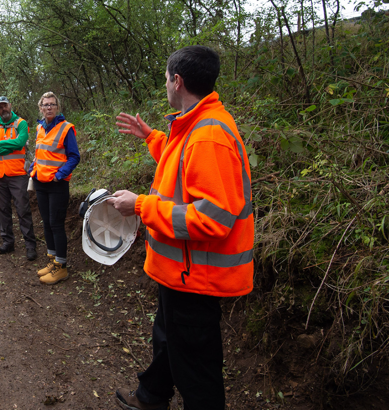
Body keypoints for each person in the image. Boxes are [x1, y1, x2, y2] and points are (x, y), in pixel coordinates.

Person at [108, 46, 254, 410]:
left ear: (178, 81)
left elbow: (212, 219)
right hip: (181, 271)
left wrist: (140, 205)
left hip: (196, 276)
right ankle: (151, 396)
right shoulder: (195, 123)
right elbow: (184, 166)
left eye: (165, 79)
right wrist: (151, 137)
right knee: (168, 336)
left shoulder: (209, 135)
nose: (165, 86)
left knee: (196, 368)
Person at [30, 92, 80, 285]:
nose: (49, 107)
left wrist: (59, 175)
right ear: (40, 108)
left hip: (57, 184)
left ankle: (61, 267)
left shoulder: (66, 128)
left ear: (57, 107)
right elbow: (39, 153)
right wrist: (33, 168)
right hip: (40, 182)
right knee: (46, 223)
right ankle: (52, 261)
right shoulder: (39, 128)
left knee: (56, 224)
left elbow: (74, 156)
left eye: (52, 104)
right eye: (45, 105)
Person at [0, 96, 37, 261]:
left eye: (5, 106)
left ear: (10, 105)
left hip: (17, 174)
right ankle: (8, 242)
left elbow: (20, 143)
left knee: (23, 210)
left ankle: (30, 245)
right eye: (0, 107)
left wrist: (0, 145)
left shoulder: (21, 123)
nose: (3, 109)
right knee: (2, 210)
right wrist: (10, 145)